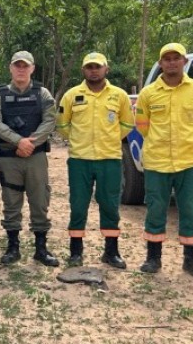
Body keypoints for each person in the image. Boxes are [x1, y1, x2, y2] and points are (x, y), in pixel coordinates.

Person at [134, 43, 193, 278]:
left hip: (189, 163)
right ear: (160, 63)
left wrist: (189, 142)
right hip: (156, 163)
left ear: (185, 61)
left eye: (176, 58)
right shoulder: (148, 94)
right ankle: (153, 258)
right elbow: (142, 126)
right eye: (166, 59)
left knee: (191, 209)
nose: (171, 62)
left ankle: (191, 260)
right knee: (155, 209)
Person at [56, 52, 134, 268]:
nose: (93, 70)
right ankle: (75, 251)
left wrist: (109, 139)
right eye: (89, 67)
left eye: (97, 66)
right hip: (79, 160)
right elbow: (62, 124)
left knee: (110, 205)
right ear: (83, 70)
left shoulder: (119, 96)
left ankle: (111, 251)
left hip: (109, 160)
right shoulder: (72, 95)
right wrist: (78, 140)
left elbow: (127, 124)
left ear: (106, 69)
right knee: (78, 205)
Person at [0, 50, 59, 267]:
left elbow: (50, 121)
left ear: (32, 68)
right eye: (17, 65)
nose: (21, 69)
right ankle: (13, 247)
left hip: (35, 156)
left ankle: (41, 248)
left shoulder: (43, 94)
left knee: (39, 200)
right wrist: (19, 141)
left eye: (25, 65)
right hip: (9, 157)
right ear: (10, 68)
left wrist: (31, 142)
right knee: (11, 201)